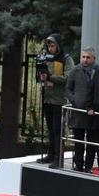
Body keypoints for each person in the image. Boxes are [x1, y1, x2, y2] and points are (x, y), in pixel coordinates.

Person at [36, 35, 72, 164]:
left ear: (58, 46)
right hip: (47, 98)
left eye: (53, 46)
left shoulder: (66, 59)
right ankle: (50, 154)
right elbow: (40, 74)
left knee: (58, 129)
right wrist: (41, 77)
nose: (50, 48)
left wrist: (51, 78)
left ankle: (58, 157)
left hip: (59, 100)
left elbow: (68, 78)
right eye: (49, 46)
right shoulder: (46, 58)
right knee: (50, 129)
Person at [66, 48, 97, 173]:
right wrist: (75, 100)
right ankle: (78, 164)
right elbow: (68, 88)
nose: (85, 59)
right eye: (83, 57)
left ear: (93, 59)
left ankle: (88, 166)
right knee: (78, 141)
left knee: (91, 141)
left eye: (88, 57)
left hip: (92, 112)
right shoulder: (75, 70)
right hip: (78, 112)